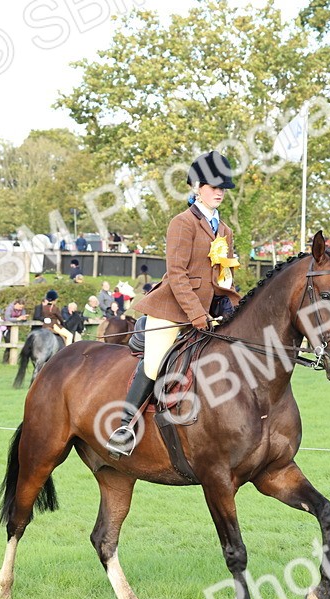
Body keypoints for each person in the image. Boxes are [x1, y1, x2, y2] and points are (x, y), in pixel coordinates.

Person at [107, 150, 242, 456]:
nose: (219, 191)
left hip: (208, 314)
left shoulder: (225, 231)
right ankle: (124, 427)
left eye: (223, 187)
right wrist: (197, 314)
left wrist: (232, 305)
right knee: (155, 363)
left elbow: (225, 276)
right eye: (212, 186)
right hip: (172, 309)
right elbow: (177, 275)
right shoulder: (182, 223)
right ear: (197, 187)